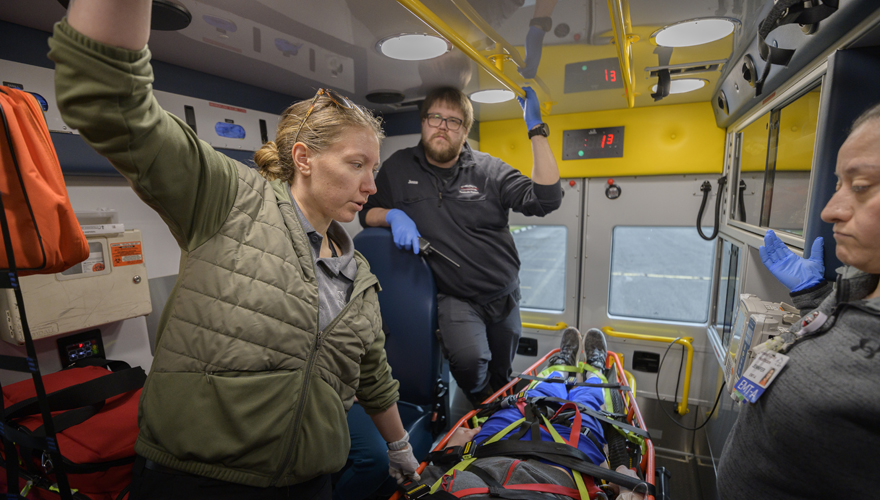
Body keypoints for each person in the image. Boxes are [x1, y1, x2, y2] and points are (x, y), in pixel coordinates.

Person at [48, 1, 419, 498]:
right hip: (196, 481)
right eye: (357, 164)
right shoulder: (230, 199)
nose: (372, 186)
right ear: (304, 158)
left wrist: (399, 450)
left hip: (308, 483)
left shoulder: (359, 273)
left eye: (374, 169)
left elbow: (373, 376)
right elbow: (111, 100)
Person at [716, 103, 880, 499]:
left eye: (861, 186)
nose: (830, 210)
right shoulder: (857, 286)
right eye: (839, 185)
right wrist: (813, 297)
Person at [360, 86, 562, 406]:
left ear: (465, 131)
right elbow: (366, 212)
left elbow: (547, 199)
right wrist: (393, 215)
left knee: (501, 370)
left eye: (453, 121)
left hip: (503, 293)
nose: (442, 126)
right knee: (469, 363)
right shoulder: (398, 167)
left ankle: (497, 411)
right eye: (435, 117)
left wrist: (536, 129)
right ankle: (486, 409)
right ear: (423, 122)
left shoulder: (489, 169)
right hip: (454, 295)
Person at [416, 327, 648, 500]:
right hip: (570, 463)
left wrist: (448, 453)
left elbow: (425, 483)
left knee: (536, 397)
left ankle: (561, 365)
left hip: (489, 448)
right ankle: (595, 372)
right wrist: (628, 487)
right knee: (587, 403)